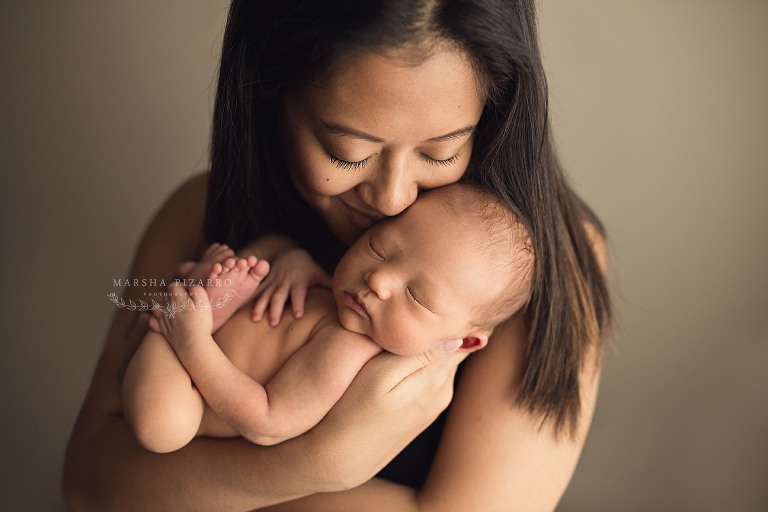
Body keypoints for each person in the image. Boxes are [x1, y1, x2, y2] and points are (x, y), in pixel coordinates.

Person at [63, 1, 612, 511]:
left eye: (440, 151)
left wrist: (204, 481)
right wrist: (306, 466)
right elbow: (88, 484)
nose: (394, 198)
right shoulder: (201, 214)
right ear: (270, 90)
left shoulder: (530, 273)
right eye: (346, 154)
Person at [123, 184, 534, 453]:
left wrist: (192, 342)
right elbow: (292, 268)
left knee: (162, 428)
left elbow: (267, 420)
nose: (379, 278)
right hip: (197, 340)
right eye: (378, 248)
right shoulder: (340, 293)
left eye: (416, 295)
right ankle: (191, 303)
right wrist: (293, 261)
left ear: (463, 342)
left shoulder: (349, 352)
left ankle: (179, 314)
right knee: (262, 263)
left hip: (193, 391)